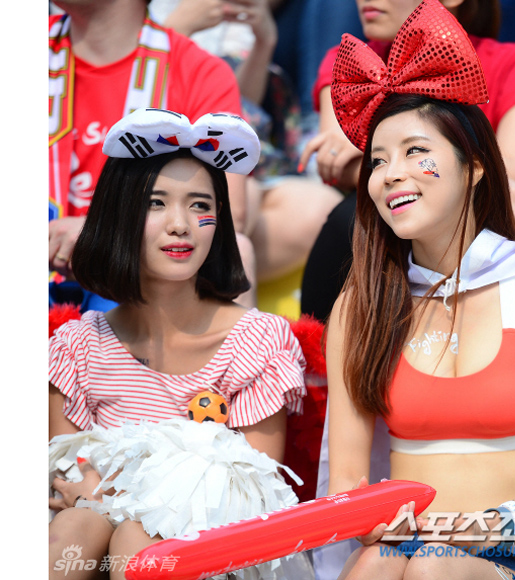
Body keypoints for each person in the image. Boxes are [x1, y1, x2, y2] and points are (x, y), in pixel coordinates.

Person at [324, 1, 515, 579]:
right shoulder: (360, 305)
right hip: (406, 547)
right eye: (378, 161)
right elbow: (347, 480)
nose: (391, 173)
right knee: (375, 569)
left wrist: (466, 533)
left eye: (416, 152)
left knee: (433, 569)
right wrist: (387, 529)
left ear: (474, 166)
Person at [48, 109, 313, 580]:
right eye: (156, 203)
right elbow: (66, 478)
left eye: (199, 205)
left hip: (215, 554)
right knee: (75, 527)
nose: (180, 224)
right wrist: (100, 500)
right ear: (119, 214)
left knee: (139, 537)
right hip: (88, 542)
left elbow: (252, 491)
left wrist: (118, 500)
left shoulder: (258, 343)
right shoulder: (77, 348)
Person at [299, 0, 515, 322]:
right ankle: (322, 349)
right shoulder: (352, 62)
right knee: (351, 218)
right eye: (379, 160)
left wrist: (363, 153)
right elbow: (336, 163)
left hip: (484, 239)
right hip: (387, 248)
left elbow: (510, 181)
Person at [48, 0, 256, 309]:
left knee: (238, 248)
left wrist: (100, 231)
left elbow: (229, 216)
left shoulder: (197, 70)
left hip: (132, 273)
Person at [149, 0, 344, 283]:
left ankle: (208, 286)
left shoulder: (232, 19)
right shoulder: (148, 12)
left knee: (325, 211)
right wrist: (178, 29)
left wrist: (264, 41)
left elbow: (238, 107)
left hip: (245, 157)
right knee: (234, 215)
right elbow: (135, 99)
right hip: (173, 154)